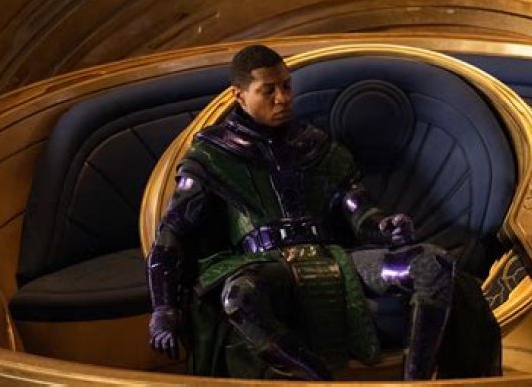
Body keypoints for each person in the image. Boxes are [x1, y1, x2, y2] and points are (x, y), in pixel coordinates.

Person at [147, 44, 500, 380]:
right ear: (239, 95)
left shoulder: (316, 145)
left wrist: (385, 227)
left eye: (286, 86)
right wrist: (164, 308)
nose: (283, 98)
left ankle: (418, 383)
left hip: (336, 258)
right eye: (268, 90)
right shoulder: (210, 156)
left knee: (431, 264)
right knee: (239, 297)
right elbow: (171, 234)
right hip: (265, 266)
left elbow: (360, 213)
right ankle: (320, 381)